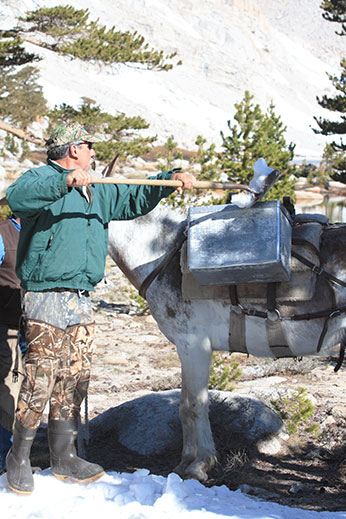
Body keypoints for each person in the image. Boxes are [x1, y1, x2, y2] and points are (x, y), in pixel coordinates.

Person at [5, 122, 196, 494]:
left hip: (81, 296)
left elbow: (135, 195)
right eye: (89, 146)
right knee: (41, 377)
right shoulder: (41, 178)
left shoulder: (98, 189)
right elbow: (19, 196)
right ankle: (19, 458)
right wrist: (64, 182)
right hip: (46, 295)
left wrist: (171, 178)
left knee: (74, 377)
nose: (93, 153)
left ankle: (64, 456)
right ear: (73, 149)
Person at [0, 210, 24, 473]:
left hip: (33, 325)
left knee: (27, 385)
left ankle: (19, 449)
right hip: (5, 323)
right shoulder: (2, 233)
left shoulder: (40, 234)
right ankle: (4, 454)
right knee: (7, 387)